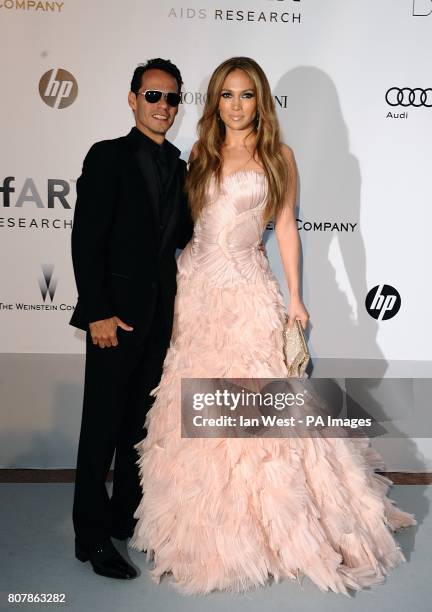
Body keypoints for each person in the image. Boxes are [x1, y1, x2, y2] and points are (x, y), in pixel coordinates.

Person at [130, 57, 416, 595]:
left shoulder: (277, 155)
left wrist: (298, 298)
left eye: (246, 95)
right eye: (226, 95)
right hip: (194, 288)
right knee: (190, 401)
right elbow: (182, 227)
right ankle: (199, 526)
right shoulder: (198, 152)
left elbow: (286, 227)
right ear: (214, 101)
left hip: (245, 288)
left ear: (261, 101)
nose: (236, 106)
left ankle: (264, 524)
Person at [70, 58, 193, 580]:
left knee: (138, 429)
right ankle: (91, 538)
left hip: (161, 322)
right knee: (100, 429)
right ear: (132, 99)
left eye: (172, 99)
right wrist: (97, 311)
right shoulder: (107, 157)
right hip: (114, 319)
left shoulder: (183, 168)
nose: (163, 107)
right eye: (153, 96)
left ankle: (123, 521)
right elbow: (86, 239)